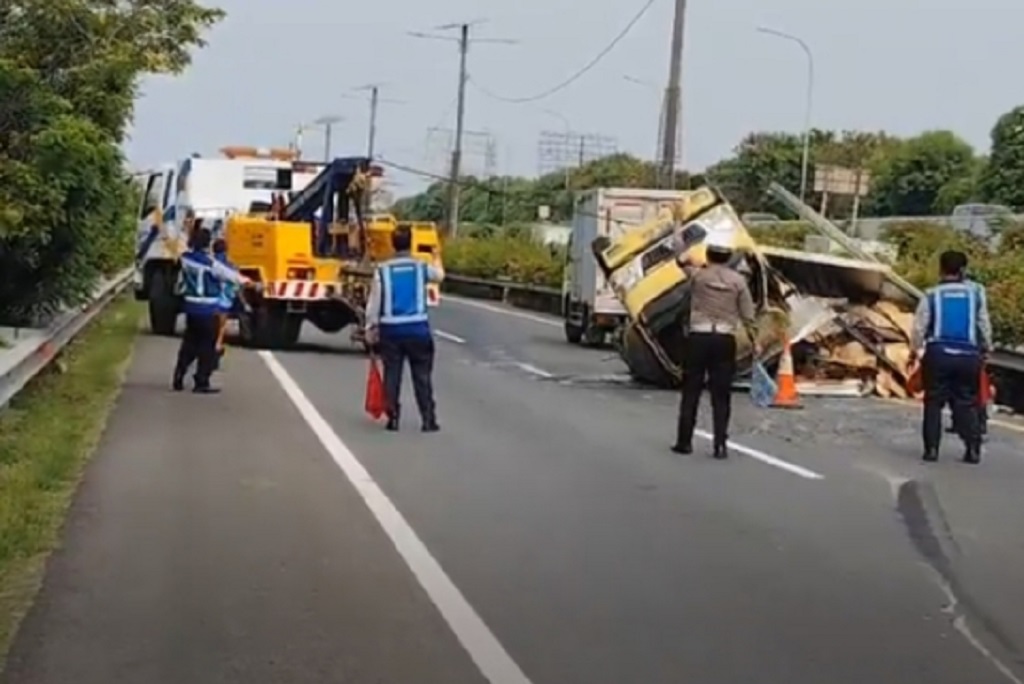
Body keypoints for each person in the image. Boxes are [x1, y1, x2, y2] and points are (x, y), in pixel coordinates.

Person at [673, 232, 760, 459]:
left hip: (698, 338)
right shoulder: (739, 282)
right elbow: (749, 316)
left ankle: (684, 442)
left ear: (708, 255)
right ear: (729, 257)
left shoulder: (698, 276)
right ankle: (720, 445)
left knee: (691, 390)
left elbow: (679, 256)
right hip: (724, 340)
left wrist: (677, 224)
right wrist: (755, 342)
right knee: (721, 395)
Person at [909, 250, 992, 464]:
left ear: (941, 269)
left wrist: (915, 350)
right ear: (963, 270)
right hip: (968, 355)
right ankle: (973, 449)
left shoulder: (931, 295)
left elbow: (919, 327)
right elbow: (983, 324)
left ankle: (932, 450)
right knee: (966, 402)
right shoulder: (976, 294)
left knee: (933, 402)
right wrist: (986, 349)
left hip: (939, 353)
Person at [364, 226, 444, 432]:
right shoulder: (421, 267)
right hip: (418, 331)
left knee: (392, 374)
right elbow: (439, 276)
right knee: (422, 377)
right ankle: (428, 420)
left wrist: (370, 327)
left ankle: (393, 417)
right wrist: (436, 256)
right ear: (411, 243)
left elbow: (375, 302)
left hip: (391, 332)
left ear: (392, 243)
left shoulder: (382, 270)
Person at [173, 227, 251, 393]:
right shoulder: (210, 264)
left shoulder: (185, 259)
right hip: (208, 309)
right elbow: (232, 277)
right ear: (207, 243)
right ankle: (201, 381)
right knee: (207, 346)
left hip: (190, 307)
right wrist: (249, 282)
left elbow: (179, 284)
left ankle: (179, 374)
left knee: (189, 343)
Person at [212, 237, 239, 366]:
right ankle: (217, 347)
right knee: (220, 328)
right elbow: (236, 282)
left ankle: (211, 350)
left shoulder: (211, 263)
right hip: (225, 301)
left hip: (211, 300)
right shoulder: (231, 265)